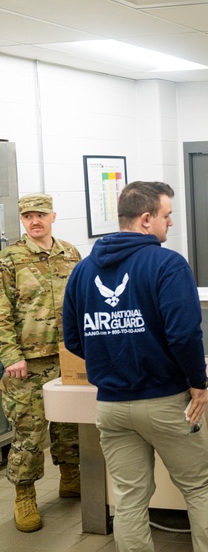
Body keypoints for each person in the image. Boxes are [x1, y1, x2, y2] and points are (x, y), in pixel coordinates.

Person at [62, 181, 208, 552]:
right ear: (144, 219)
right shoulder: (167, 264)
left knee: (128, 498)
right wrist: (198, 382)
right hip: (168, 401)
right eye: (166, 216)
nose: (170, 224)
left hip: (110, 405)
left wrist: (112, 358)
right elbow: (184, 335)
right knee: (198, 489)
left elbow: (74, 339)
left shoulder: (82, 270)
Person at [0, 193, 81, 532]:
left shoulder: (70, 253)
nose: (34, 221)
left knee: (70, 425)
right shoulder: (9, 259)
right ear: (22, 220)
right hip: (27, 362)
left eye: (40, 215)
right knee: (29, 433)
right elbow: (1, 313)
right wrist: (10, 356)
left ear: (53, 216)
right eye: (28, 216)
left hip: (69, 355)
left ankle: (71, 476)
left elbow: (83, 298)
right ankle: (24, 495)